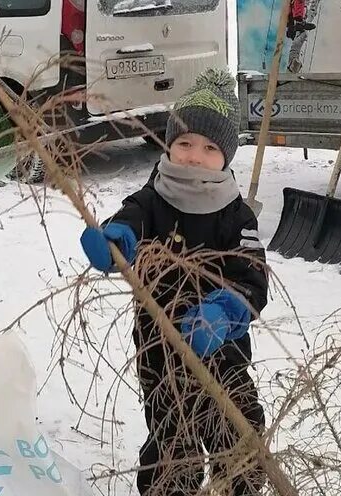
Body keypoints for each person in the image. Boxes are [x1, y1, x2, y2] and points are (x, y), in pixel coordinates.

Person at [79, 68, 268, 496]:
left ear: (226, 156)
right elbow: (130, 220)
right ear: (168, 145)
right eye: (184, 143)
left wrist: (225, 311)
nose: (194, 156)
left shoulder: (236, 215)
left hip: (221, 351)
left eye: (209, 147)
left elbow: (253, 277)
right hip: (159, 348)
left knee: (239, 434)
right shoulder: (152, 198)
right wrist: (116, 239)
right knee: (171, 443)